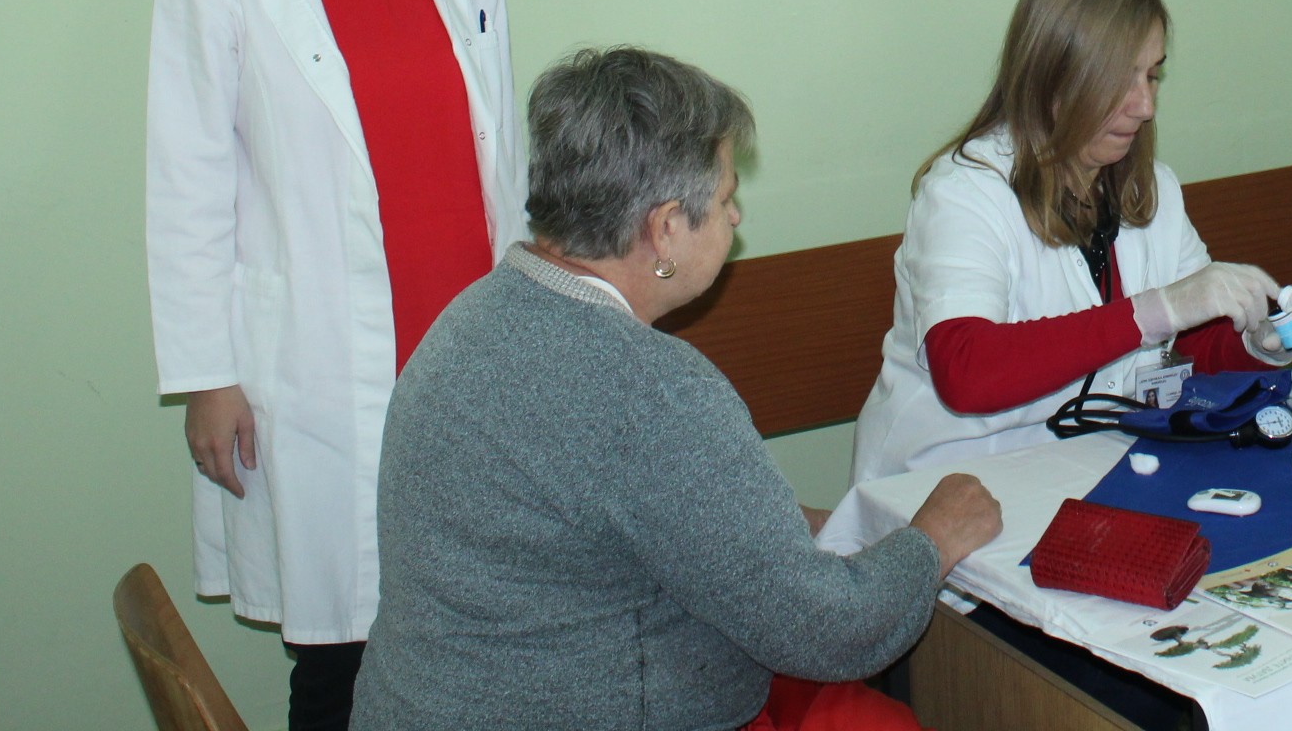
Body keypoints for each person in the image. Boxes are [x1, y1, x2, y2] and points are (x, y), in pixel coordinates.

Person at [351, 47, 1000, 731]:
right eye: (724, 200)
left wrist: (779, 526)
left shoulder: (473, 317)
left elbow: (600, 516)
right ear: (664, 230)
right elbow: (831, 633)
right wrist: (934, 538)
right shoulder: (649, 390)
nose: (735, 218)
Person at [146, 0, 523, 731]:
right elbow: (185, 188)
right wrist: (208, 378)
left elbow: (503, 153)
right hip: (320, 366)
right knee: (345, 657)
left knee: (483, 630)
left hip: (466, 348)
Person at [850, 0, 1292, 484]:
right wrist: (1155, 310)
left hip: (1089, 465)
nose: (1146, 106)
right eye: (1121, 79)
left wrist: (1258, 343)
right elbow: (967, 372)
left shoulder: (1152, 189)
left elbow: (1193, 345)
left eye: (1152, 75)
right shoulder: (964, 193)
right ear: (1051, 79)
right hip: (946, 481)